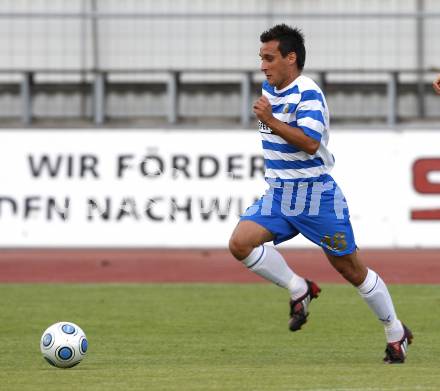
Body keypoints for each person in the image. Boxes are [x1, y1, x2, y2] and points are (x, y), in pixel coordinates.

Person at [228, 24, 413, 364]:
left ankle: (394, 331)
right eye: (261, 59)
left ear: (291, 57)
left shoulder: (308, 92)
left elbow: (311, 142)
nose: (263, 66)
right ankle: (299, 288)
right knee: (240, 242)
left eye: (269, 58)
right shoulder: (270, 89)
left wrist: (271, 120)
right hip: (281, 196)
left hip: (315, 197)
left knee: (351, 270)